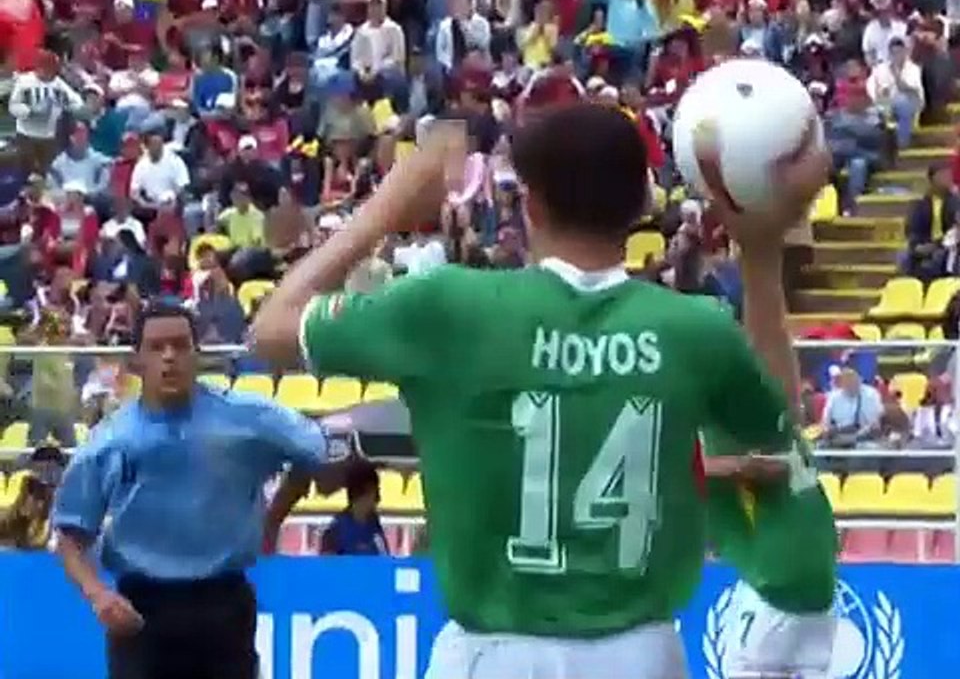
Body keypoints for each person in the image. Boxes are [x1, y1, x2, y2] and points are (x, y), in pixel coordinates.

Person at [252, 106, 832, 679]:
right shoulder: (695, 329)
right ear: (640, 205)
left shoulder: (451, 306)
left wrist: (386, 207)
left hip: (489, 653)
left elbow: (271, 329)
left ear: (529, 205)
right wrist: (759, 253)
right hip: (639, 654)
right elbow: (778, 434)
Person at [51, 302, 332, 679]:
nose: (170, 357)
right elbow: (70, 535)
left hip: (224, 606)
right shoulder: (110, 442)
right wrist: (97, 595)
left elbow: (315, 450)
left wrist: (274, 517)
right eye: (157, 347)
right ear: (137, 360)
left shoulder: (247, 418)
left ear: (197, 354)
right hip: (141, 610)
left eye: (181, 345)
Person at [320, 460, 389, 555]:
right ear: (361, 494)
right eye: (375, 493)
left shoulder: (375, 526)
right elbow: (327, 567)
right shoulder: (335, 532)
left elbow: (385, 560)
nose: (378, 500)